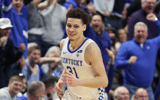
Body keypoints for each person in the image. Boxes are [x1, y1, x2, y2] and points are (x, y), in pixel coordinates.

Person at [55, 8, 108, 100]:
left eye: (76, 26)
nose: (71, 29)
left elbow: (104, 81)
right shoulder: (63, 43)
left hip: (91, 97)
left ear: (84, 27)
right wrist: (61, 80)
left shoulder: (90, 48)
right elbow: (69, 65)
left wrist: (78, 82)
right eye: (69, 25)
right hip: (71, 96)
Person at [115, 13, 160, 100]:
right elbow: (117, 63)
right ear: (134, 33)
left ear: (147, 33)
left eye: (143, 31)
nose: (140, 33)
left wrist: (156, 21)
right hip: (130, 88)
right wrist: (127, 62)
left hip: (147, 89)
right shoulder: (126, 45)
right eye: (138, 31)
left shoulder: (153, 44)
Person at [0, 18, 26, 88]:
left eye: (9, 29)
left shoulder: (9, 41)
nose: (8, 31)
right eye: (5, 29)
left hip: (5, 74)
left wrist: (20, 52)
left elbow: (10, 60)